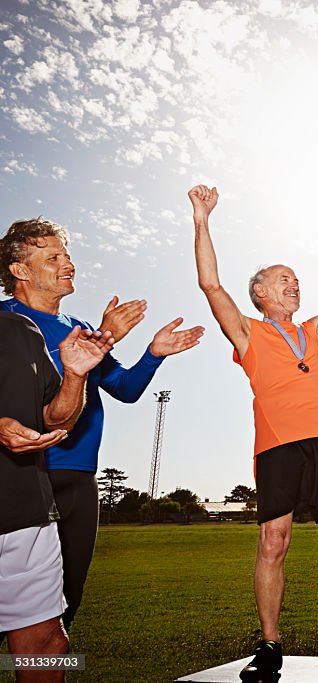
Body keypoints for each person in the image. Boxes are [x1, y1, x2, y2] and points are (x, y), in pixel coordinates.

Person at [189, 184, 318, 681]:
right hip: (277, 447)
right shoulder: (248, 332)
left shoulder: (313, 330)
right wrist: (203, 218)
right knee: (274, 543)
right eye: (282, 279)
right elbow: (211, 285)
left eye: (296, 279)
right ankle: (270, 644)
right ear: (260, 292)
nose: (293, 285)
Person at [0, 218, 204, 632]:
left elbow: (125, 389)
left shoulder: (80, 330)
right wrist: (103, 337)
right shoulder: (5, 322)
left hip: (78, 479)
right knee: (12, 612)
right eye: (53, 256)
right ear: (20, 270)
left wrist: (152, 354)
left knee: (62, 612)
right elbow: (44, 390)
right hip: (22, 479)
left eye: (68, 255)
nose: (68, 264)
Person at [1, 312, 114, 683]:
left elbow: (56, 419)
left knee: (50, 646)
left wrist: (75, 376)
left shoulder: (21, 329)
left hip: (29, 510)